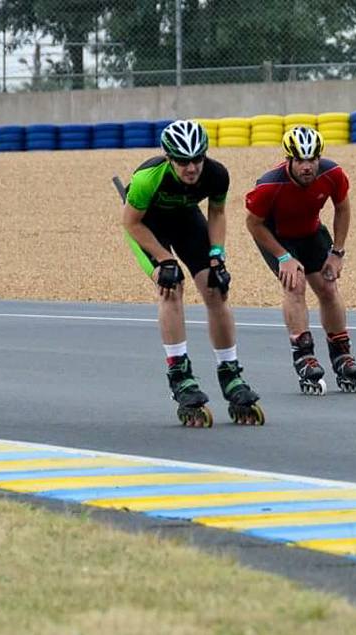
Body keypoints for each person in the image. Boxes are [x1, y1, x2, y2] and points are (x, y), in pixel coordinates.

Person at [121, 119, 264, 426]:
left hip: (186, 220)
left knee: (216, 288)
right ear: (169, 158)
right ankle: (179, 374)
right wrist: (162, 259)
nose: (191, 168)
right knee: (171, 286)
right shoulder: (148, 178)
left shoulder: (216, 174)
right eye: (183, 161)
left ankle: (230, 373)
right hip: (148, 226)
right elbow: (131, 223)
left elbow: (217, 212)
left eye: (197, 159)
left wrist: (217, 256)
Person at [244, 126, 356, 394]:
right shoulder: (269, 185)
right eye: (300, 160)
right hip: (277, 237)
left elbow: (342, 208)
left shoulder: (333, 174)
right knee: (294, 284)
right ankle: (304, 355)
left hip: (310, 232)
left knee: (328, 286)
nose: (307, 167)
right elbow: (254, 224)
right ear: (289, 160)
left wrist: (337, 252)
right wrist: (283, 257)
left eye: (312, 160)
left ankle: (342, 353)